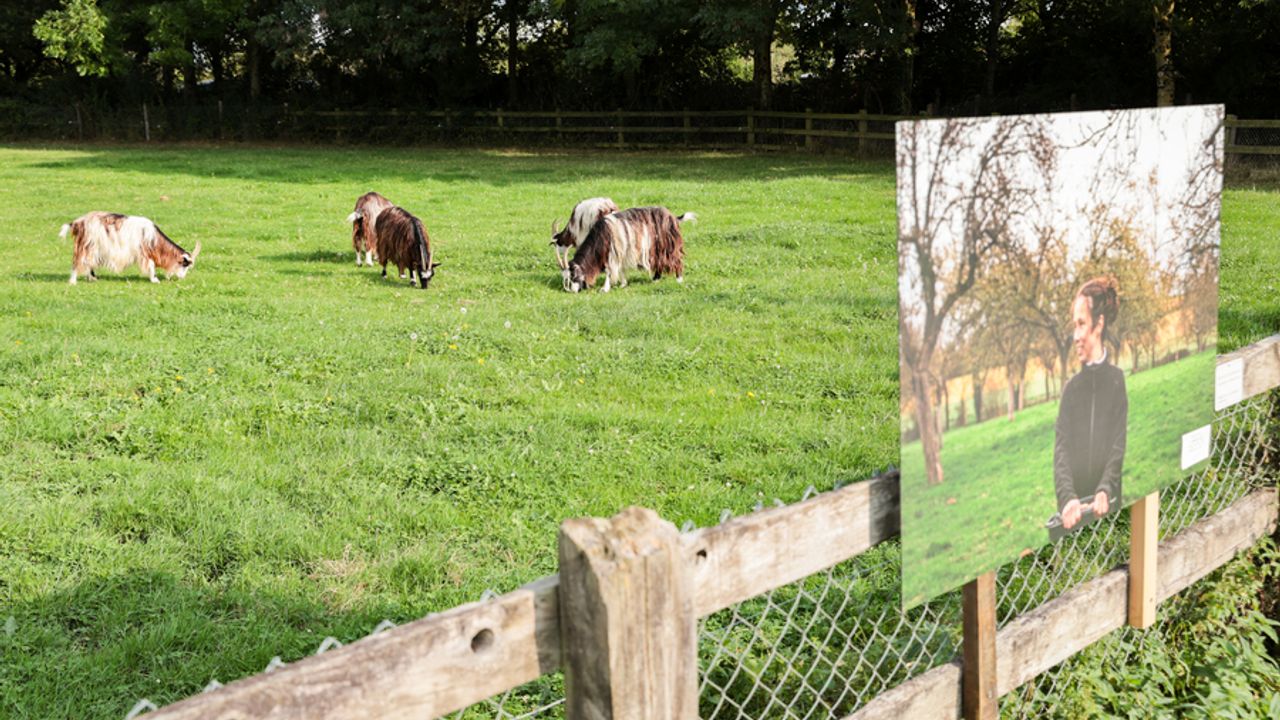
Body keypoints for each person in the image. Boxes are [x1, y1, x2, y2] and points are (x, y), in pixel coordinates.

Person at [1054, 277, 1127, 531]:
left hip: (1110, 511)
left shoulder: (1117, 382)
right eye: (1074, 326)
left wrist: (1105, 489)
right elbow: (1060, 451)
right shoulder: (1070, 391)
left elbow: (1118, 446)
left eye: (1082, 324)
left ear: (1099, 324)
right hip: (1074, 519)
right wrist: (1067, 499)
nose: (1075, 336)